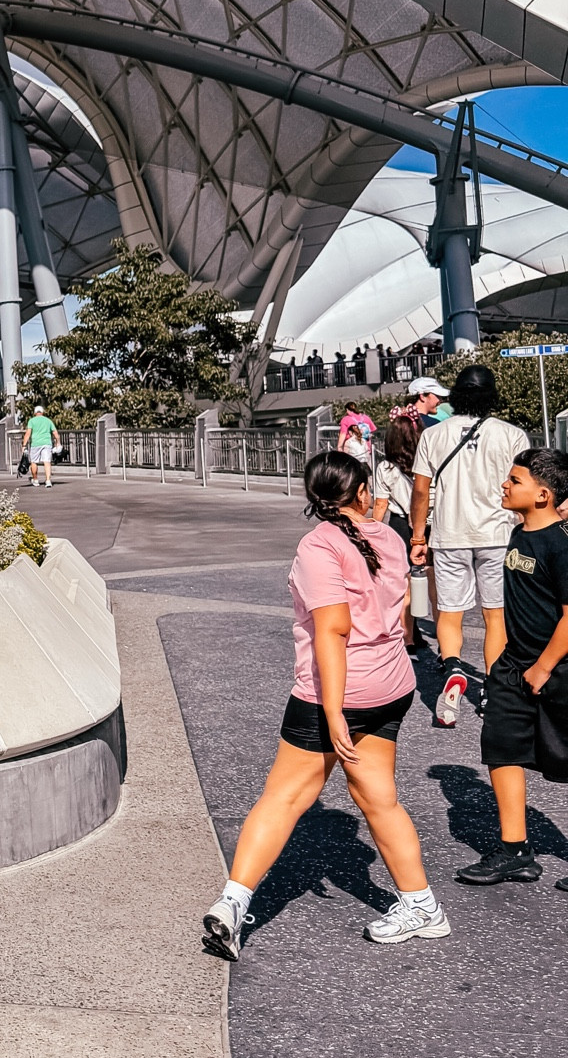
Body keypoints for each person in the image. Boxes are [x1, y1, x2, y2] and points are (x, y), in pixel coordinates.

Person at [202, 451, 448, 961]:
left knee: (286, 797)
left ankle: (233, 904)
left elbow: (332, 630)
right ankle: (423, 906)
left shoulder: (319, 546)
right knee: (379, 797)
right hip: (391, 684)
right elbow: (400, 613)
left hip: (336, 692)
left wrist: (333, 710)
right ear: (361, 492)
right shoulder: (389, 537)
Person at [459, 449, 568, 887]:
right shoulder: (519, 534)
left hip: (556, 667)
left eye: (515, 480)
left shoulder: (560, 544)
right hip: (513, 665)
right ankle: (514, 851)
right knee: (501, 746)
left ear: (543, 494)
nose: (505, 485)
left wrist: (543, 667)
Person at [409, 364, 531, 728]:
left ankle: (453, 670)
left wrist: (418, 536)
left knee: (450, 613)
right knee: (495, 616)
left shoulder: (434, 435)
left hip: (448, 536)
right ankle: (492, 690)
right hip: (498, 536)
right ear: (492, 396)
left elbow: (419, 491)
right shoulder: (512, 436)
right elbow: (523, 489)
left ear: (456, 395)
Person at [372, 412, 424, 652]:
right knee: (427, 580)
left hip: (400, 525)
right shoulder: (426, 462)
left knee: (404, 581)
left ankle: (408, 635)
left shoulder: (385, 467)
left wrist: (371, 531)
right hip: (430, 523)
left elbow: (381, 504)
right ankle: (438, 640)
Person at [22, 405, 59, 486]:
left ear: (35, 413)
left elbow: (28, 434)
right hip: (47, 443)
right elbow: (55, 433)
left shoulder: (31, 421)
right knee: (47, 462)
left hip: (35, 444)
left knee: (34, 462)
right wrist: (58, 443)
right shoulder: (48, 420)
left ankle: (35, 480)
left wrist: (24, 445)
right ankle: (48, 480)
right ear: (42, 412)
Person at [337, 401, 377, 465]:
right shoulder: (366, 417)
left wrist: (339, 448)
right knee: (368, 471)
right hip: (366, 450)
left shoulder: (346, 419)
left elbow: (343, 434)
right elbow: (373, 430)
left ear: (347, 409)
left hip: (352, 451)